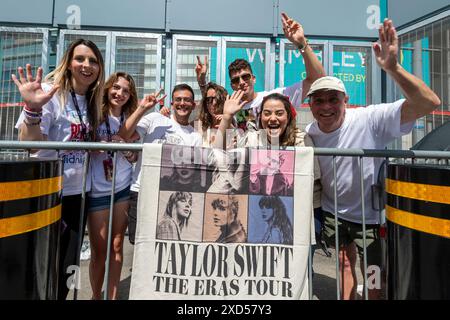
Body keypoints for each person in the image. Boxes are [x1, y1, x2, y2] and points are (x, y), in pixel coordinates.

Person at [304, 19, 441, 300]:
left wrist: (393, 68)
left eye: (333, 99)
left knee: (374, 275)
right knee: (343, 264)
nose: (327, 106)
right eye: (319, 100)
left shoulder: (370, 119)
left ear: (346, 99)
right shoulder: (310, 132)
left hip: (372, 216)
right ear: (310, 104)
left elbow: (429, 103)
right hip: (334, 213)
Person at [12, 39, 105, 300]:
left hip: (78, 195)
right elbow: (29, 144)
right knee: (40, 265)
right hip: (48, 194)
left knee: (67, 268)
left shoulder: (92, 102)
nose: (87, 65)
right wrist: (32, 108)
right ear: (68, 63)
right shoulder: (51, 94)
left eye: (93, 61)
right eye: (80, 59)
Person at [197, 13, 325, 131]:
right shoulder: (229, 106)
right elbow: (209, 103)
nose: (241, 82)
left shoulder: (275, 98)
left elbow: (316, 79)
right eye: (236, 80)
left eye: (245, 77)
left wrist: (302, 43)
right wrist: (202, 81)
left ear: (253, 78)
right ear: (232, 85)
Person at [118, 83, 202, 245]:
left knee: (165, 247)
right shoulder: (154, 119)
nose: (182, 103)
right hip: (142, 191)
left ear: (193, 105)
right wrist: (142, 109)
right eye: (178, 99)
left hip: (171, 199)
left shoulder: (195, 136)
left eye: (187, 100)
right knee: (140, 244)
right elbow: (123, 135)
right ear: (172, 103)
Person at [87, 72, 138, 300]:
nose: (120, 93)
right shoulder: (95, 114)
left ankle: (113, 297)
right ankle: (96, 296)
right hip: (98, 189)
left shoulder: (132, 117)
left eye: (126, 90)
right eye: (116, 88)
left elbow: (134, 157)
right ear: (108, 89)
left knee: (117, 245)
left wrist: (127, 150)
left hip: (122, 189)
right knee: (99, 251)